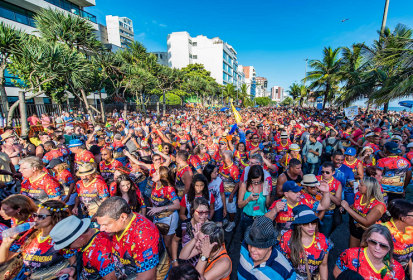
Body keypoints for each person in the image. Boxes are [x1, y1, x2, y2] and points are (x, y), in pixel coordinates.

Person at [96, 197, 170, 280]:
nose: (101, 229)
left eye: (106, 224)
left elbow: (147, 277)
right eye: (100, 224)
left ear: (123, 217)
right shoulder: (122, 224)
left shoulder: (143, 235)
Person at [0, 201, 75, 277]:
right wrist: (5, 244)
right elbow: (2, 260)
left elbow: (74, 263)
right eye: (35, 215)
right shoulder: (29, 235)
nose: (35, 219)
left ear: (55, 217)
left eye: (41, 216)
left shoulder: (62, 239)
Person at [51, 215, 118, 280]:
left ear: (80, 237)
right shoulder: (90, 238)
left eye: (67, 246)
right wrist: (73, 268)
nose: (68, 249)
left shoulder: (101, 254)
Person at [334, 224, 405, 280]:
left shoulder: (397, 270)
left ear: (389, 248)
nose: (377, 248)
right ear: (367, 240)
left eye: (383, 246)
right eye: (373, 242)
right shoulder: (349, 255)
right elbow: (337, 274)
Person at [278, 205, 331, 280]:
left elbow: (323, 265)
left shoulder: (322, 240)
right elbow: (279, 263)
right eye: (306, 223)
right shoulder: (287, 238)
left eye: (313, 222)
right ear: (299, 225)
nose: (311, 227)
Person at [238, 216, 296, 280]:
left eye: (258, 247)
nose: (252, 250)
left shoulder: (285, 272)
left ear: (269, 246)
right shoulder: (245, 244)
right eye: (251, 245)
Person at [266, 180, 330, 237]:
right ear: (286, 194)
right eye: (295, 192)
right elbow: (265, 220)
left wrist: (326, 192)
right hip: (283, 240)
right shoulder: (278, 204)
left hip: (302, 238)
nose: (299, 193)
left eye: (299, 191)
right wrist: (274, 210)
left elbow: (323, 206)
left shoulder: (305, 199)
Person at [341, 177, 386, 248]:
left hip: (369, 233)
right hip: (355, 228)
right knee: (353, 252)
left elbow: (367, 222)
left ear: (369, 188)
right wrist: (348, 207)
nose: (358, 186)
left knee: (364, 255)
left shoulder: (379, 205)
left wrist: (347, 208)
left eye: (361, 185)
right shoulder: (359, 195)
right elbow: (355, 206)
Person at [149, 166, 180, 257]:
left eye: (156, 173)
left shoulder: (168, 189)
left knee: (167, 243)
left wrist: (160, 209)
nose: (153, 173)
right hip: (157, 217)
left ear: (162, 177)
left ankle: (172, 261)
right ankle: (163, 259)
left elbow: (178, 205)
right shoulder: (154, 184)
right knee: (159, 240)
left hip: (168, 218)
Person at [171, 198, 210, 267]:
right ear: (192, 212)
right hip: (188, 267)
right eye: (200, 213)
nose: (204, 216)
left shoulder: (211, 228)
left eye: (206, 212)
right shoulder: (184, 226)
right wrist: (174, 261)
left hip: (206, 267)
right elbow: (174, 241)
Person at [380, 199, 413, 272]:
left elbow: (407, 249)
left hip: (404, 270)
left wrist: (411, 268)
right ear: (402, 217)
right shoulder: (383, 232)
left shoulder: (410, 228)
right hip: (386, 271)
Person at [238, 165, 272, 233]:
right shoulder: (244, 185)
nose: (256, 183)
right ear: (250, 178)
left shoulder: (265, 185)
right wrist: (248, 199)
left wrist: (268, 194)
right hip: (248, 219)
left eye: (258, 181)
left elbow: (267, 205)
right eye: (253, 181)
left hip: (261, 219)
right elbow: (239, 205)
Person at [316, 162, 343, 238]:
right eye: (322, 172)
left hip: (328, 212)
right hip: (315, 210)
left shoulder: (337, 184)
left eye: (327, 172)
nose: (324, 174)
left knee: (324, 235)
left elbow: (338, 202)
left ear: (333, 172)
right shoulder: (316, 179)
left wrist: (326, 192)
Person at [218, 150, 240, 232]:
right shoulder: (221, 165)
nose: (221, 158)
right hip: (221, 194)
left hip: (229, 195)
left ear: (228, 158)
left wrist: (232, 194)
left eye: (223, 157)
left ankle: (231, 222)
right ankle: (225, 220)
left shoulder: (234, 169)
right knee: (222, 208)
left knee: (231, 210)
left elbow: (238, 183)